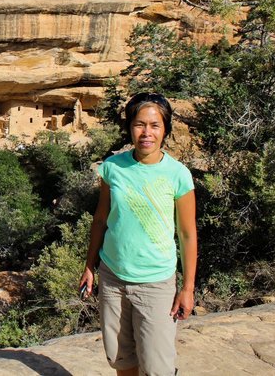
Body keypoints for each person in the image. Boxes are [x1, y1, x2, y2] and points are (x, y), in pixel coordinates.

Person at [79, 92, 197, 376]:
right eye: (139, 124)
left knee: (158, 367)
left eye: (155, 125)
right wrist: (89, 266)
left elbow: (187, 233)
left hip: (155, 282)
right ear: (130, 127)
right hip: (113, 277)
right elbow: (101, 219)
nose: (147, 133)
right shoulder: (113, 168)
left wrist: (188, 289)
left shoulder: (177, 174)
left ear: (165, 129)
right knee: (121, 358)